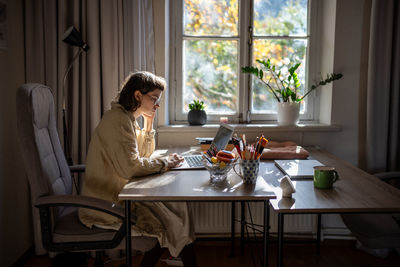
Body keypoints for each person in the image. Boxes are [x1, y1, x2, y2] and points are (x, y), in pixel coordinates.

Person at [78, 71, 196, 266]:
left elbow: (142, 155)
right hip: (107, 205)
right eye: (154, 98)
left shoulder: (125, 118)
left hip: (120, 194)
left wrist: (148, 123)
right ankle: (185, 256)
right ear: (137, 95)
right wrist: (166, 162)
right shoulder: (117, 121)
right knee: (173, 221)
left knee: (178, 210)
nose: (157, 105)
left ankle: (181, 253)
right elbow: (131, 168)